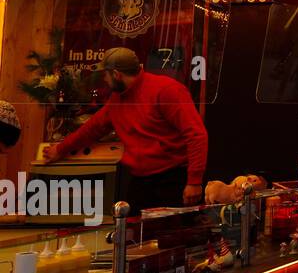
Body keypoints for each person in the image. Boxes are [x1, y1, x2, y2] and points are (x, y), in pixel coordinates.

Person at [42, 48, 207, 212]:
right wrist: (61, 149)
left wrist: (194, 181)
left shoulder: (167, 90)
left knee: (171, 235)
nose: (104, 79)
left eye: (105, 74)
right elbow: (92, 128)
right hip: (140, 180)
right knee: (133, 234)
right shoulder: (117, 99)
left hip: (172, 179)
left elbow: (196, 135)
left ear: (116, 74)